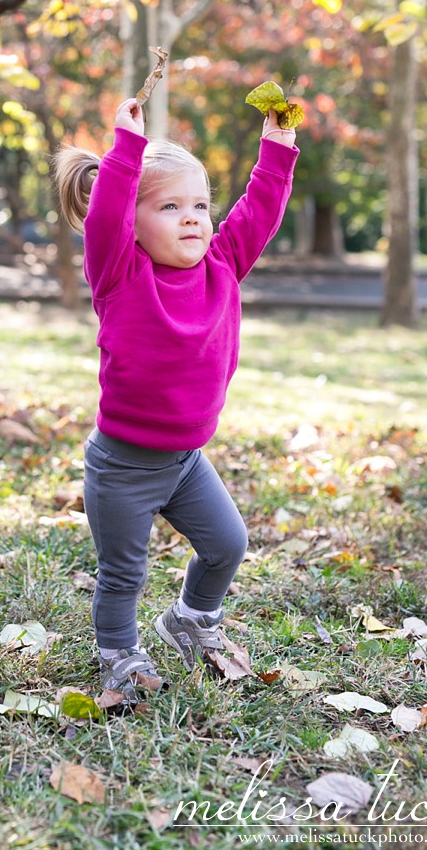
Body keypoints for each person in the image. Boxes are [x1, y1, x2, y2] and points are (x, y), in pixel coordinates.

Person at [52, 93, 299, 697]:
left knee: (228, 545)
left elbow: (259, 211)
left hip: (186, 461)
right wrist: (126, 151)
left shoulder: (222, 264)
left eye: (199, 205)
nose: (192, 218)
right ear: (132, 221)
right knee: (123, 574)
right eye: (169, 206)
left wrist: (279, 147)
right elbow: (107, 216)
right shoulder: (119, 273)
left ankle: (189, 620)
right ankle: (119, 657)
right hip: (123, 468)